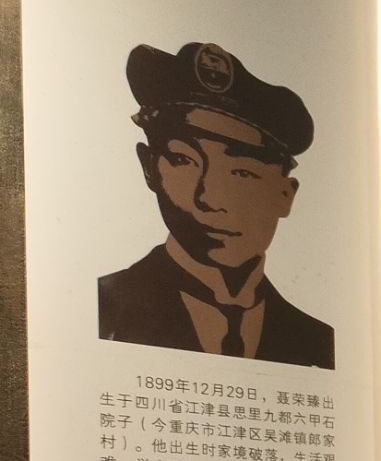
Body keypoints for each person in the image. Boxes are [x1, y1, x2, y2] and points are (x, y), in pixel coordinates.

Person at [99, 41, 334, 367]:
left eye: (243, 172)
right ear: (149, 167)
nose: (209, 198)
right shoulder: (103, 311)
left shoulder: (318, 345)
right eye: (184, 160)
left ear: (285, 194)